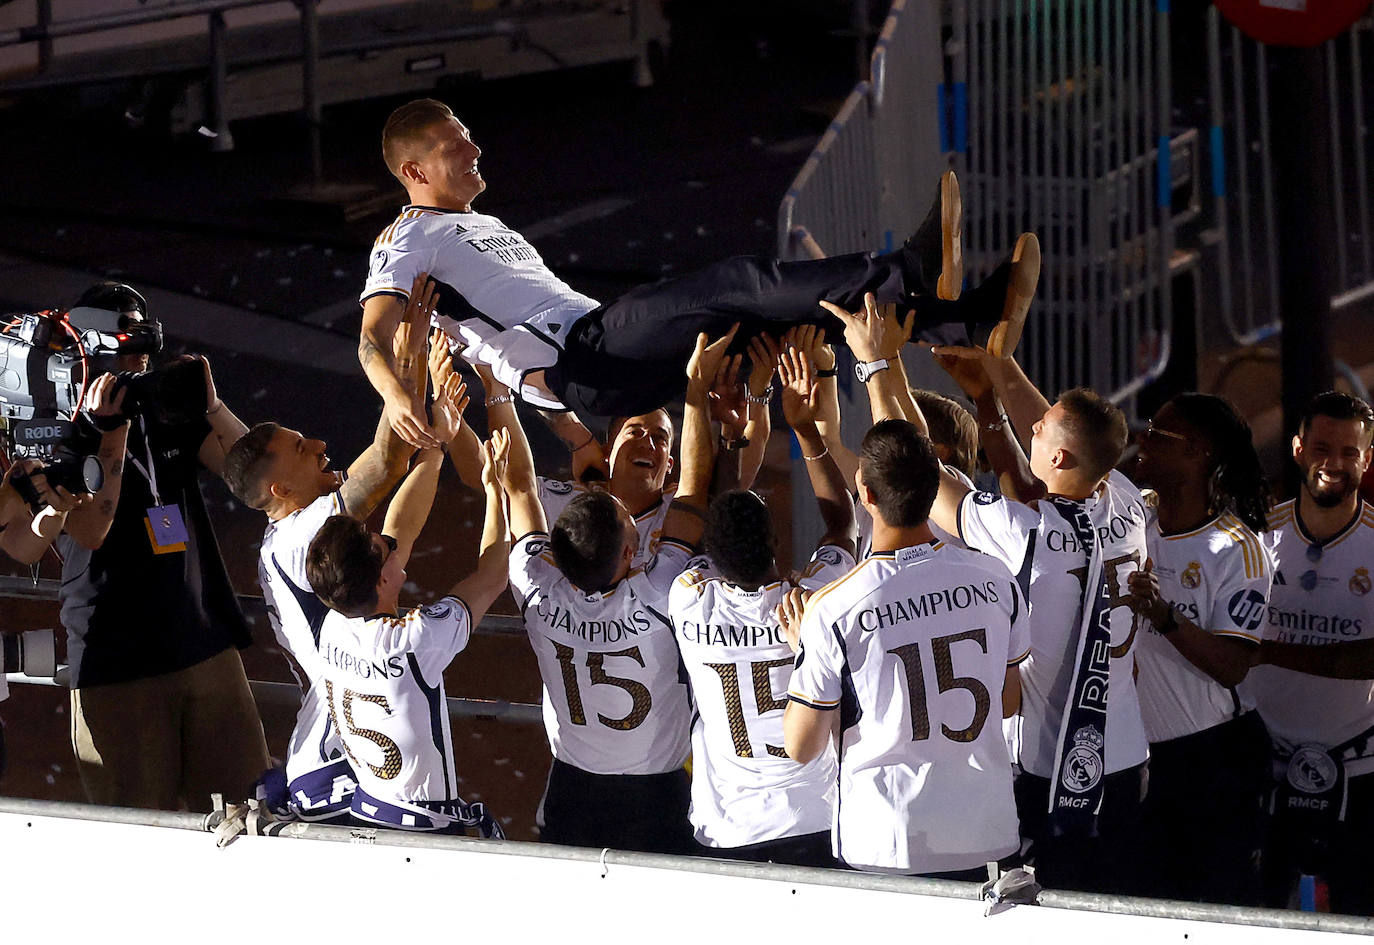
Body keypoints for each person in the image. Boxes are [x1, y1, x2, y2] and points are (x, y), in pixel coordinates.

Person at [358, 98, 1040, 443]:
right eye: (455, 146)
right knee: (735, 282)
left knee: (791, 322)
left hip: (600, 360)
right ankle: (906, 268)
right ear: (415, 172)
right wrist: (395, 394)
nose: (475, 149)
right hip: (587, 357)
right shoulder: (406, 240)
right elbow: (373, 335)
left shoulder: (478, 225)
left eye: (468, 136)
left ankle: (964, 320)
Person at [912, 329, 1149, 894]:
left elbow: (924, 479)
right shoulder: (1127, 500)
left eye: (1041, 429)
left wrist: (878, 366)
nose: (1034, 424)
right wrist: (992, 387)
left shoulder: (1021, 531)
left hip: (1052, 766)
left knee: (1045, 912)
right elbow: (1060, 457)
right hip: (1126, 755)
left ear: (1061, 456)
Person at [491, 328, 730, 853]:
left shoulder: (536, 592)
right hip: (656, 787)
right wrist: (696, 389)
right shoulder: (660, 591)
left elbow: (516, 486)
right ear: (630, 554)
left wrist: (496, 387)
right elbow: (696, 489)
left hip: (573, 783)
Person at [221, 273, 449, 820]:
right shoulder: (305, 534)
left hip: (336, 743)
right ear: (280, 490)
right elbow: (388, 459)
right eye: (302, 449)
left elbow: (399, 526)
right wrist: (403, 360)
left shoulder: (293, 540)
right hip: (345, 757)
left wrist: (429, 435)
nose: (321, 446)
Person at [781, 418, 1029, 876]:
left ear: (867, 496)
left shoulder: (834, 608)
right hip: (986, 834)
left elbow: (801, 746)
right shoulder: (996, 577)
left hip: (888, 844)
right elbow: (1009, 702)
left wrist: (805, 651)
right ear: (936, 489)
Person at [56, 282, 269, 812]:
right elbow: (88, 532)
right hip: (118, 659)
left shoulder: (164, 406)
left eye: (145, 354)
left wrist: (213, 406)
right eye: (127, 354)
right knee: (135, 836)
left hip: (204, 643)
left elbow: (259, 481)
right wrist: (107, 430)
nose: (139, 367)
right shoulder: (58, 424)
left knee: (244, 817)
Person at [669, 346, 856, 866]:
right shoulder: (816, 601)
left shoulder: (688, 599)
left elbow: (710, 517)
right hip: (819, 817)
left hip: (731, 829)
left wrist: (733, 430)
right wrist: (803, 428)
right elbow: (843, 524)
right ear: (776, 539)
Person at [303, 405, 510, 835]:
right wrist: (497, 492)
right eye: (387, 551)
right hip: (425, 830)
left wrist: (435, 448)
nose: (396, 548)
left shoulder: (335, 620)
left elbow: (402, 528)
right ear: (382, 579)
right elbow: (493, 576)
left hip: (368, 811)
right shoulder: (414, 641)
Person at [1127, 393, 1272, 905]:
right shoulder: (1135, 514)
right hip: (1138, 756)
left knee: (1212, 911)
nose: (1142, 439)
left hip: (1211, 763)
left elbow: (1233, 665)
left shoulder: (1238, 549)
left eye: (1159, 435)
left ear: (1200, 453)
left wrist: (1165, 617)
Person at [1243, 391, 1374, 915]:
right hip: (1261, 764)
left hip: (1359, 768)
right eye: (1322, 447)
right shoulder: (1253, 536)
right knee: (1255, 918)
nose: (1334, 464)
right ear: (1297, 449)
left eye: (1349, 452)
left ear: (1367, 459)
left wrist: (1266, 652)